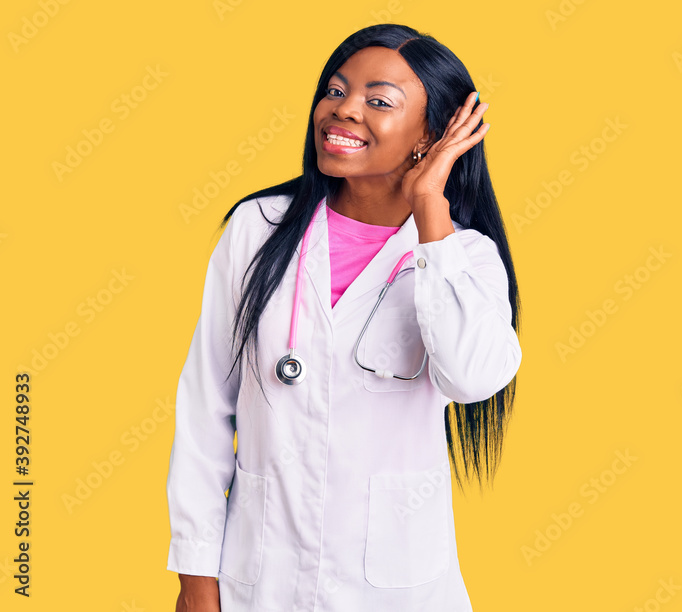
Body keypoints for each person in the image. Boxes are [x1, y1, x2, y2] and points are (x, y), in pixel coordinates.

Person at [165, 23, 522, 611]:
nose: (344, 110)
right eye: (336, 90)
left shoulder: (463, 258)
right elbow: (205, 407)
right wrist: (197, 579)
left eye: (379, 101)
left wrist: (429, 206)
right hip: (261, 580)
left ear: (430, 135)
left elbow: (473, 377)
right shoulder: (259, 230)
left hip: (396, 589)